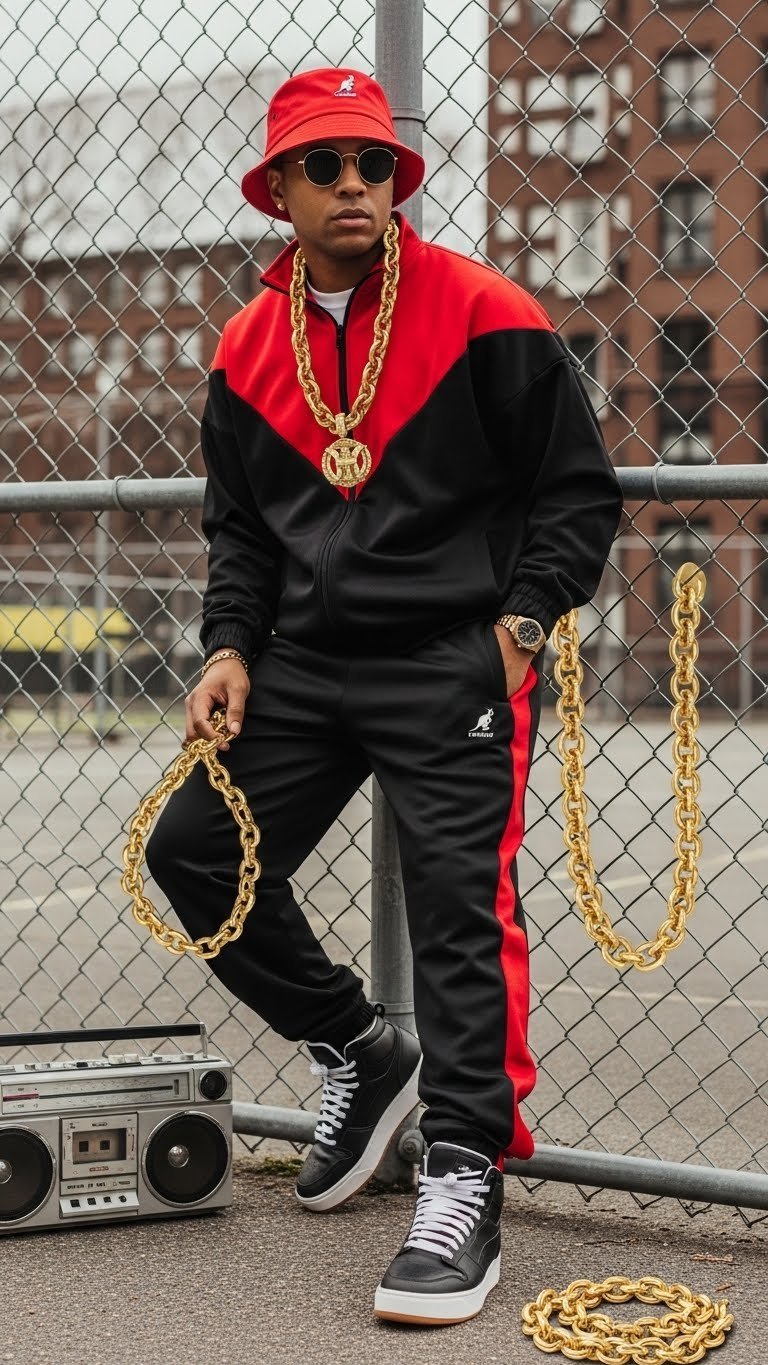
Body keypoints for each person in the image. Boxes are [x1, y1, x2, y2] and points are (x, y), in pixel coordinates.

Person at [146, 65, 623, 1325]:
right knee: (192, 853)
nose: (355, 184)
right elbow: (241, 532)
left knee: (462, 910)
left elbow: (578, 493)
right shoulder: (245, 347)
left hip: (453, 657)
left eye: (375, 164)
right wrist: (228, 647)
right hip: (301, 664)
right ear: (280, 190)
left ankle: (465, 1172)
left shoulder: (485, 311)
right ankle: (362, 1048)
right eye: (326, 165)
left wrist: (519, 630)